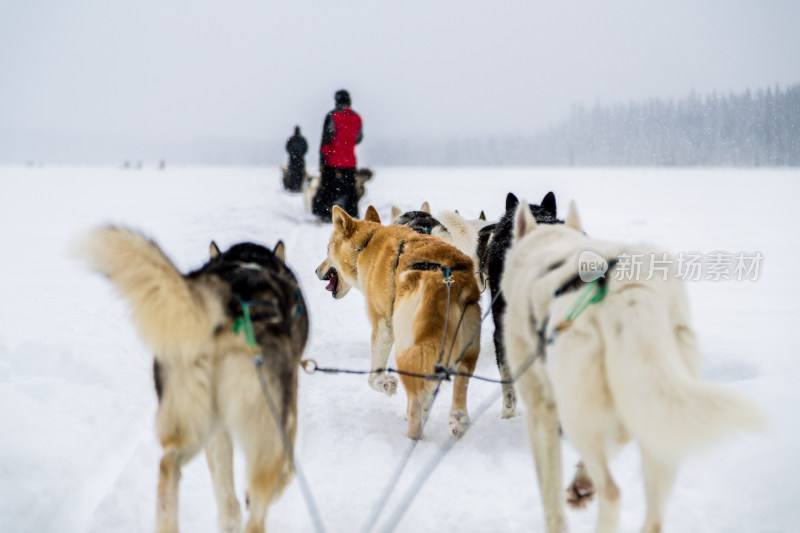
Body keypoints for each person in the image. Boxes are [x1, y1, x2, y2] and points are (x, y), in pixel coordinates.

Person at [312, 89, 363, 220]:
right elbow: (359, 138)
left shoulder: (332, 116)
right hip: (350, 160)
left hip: (332, 159)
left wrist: (322, 159)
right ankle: (351, 214)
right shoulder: (357, 117)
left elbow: (326, 139)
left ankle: (326, 212)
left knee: (328, 187)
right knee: (350, 189)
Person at [284, 125, 308, 192]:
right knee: (300, 173)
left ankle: (293, 186)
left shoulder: (291, 139)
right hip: (300, 159)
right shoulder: (302, 139)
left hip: (293, 159)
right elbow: (306, 148)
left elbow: (287, 147)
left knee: (293, 173)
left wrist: (292, 154)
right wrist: (301, 154)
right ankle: (298, 186)